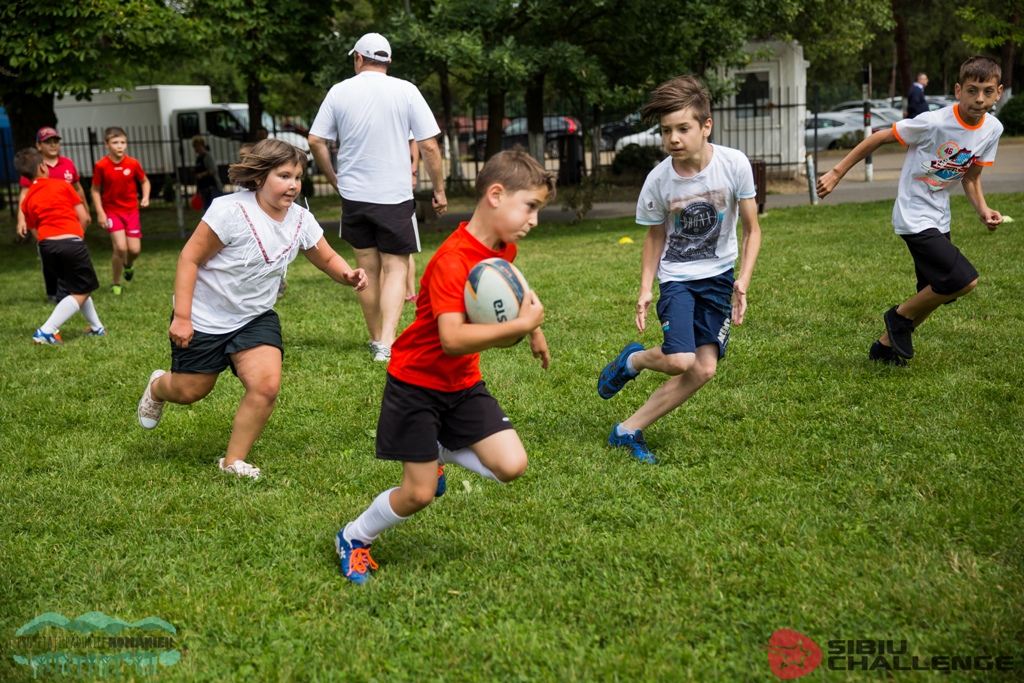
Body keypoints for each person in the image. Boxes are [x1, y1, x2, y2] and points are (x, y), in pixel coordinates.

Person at [334, 150, 553, 585]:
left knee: (512, 466)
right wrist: (522, 325)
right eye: (530, 206)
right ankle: (354, 536)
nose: (534, 219)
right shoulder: (452, 261)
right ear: (496, 195)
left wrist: (532, 331)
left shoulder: (501, 247)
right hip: (415, 384)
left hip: (463, 383)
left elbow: (509, 290)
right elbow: (451, 339)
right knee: (418, 493)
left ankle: (436, 450)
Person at [136, 139, 367, 480]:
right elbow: (190, 258)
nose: (293, 184)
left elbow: (326, 256)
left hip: (254, 317)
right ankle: (158, 386)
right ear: (260, 177)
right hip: (204, 317)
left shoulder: (300, 220)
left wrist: (347, 274)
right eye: (284, 175)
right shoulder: (230, 212)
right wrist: (183, 317)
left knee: (266, 385)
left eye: (298, 177)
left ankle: (233, 461)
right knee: (191, 390)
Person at [596, 75, 762, 464]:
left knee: (703, 369)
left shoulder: (734, 164)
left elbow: (753, 230)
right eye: (666, 130)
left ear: (706, 127)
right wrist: (644, 289)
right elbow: (655, 238)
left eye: (683, 128)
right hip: (677, 279)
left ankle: (626, 430)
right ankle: (633, 361)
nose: (673, 138)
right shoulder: (658, 179)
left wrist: (743, 281)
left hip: (719, 276)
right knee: (679, 359)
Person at [817, 56, 1004, 366]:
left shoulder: (992, 129)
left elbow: (971, 177)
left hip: (939, 215)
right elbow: (879, 137)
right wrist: (837, 172)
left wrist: (983, 210)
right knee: (963, 280)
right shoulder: (934, 122)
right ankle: (898, 316)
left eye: (987, 91)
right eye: (972, 90)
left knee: (934, 291)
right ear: (958, 90)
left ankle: (885, 348)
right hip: (913, 215)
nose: (979, 99)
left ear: (998, 92)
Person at [308, 32, 448, 363]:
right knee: (396, 269)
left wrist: (333, 177)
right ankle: (387, 343)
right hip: (394, 196)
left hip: (355, 197)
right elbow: (428, 145)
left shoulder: (339, 91)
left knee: (366, 269)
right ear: (388, 61)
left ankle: (375, 340)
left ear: (358, 58)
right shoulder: (407, 90)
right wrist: (439, 190)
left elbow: (316, 140)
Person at [15, 148, 106, 344]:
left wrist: (46, 242)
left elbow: (34, 230)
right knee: (82, 290)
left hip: (47, 247)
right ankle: (46, 331)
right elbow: (85, 217)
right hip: (71, 243)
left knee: (77, 286)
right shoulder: (63, 186)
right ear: (42, 167)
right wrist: (77, 237)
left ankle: (97, 328)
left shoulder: (27, 199)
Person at [16, 127, 89, 304]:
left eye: (56, 140)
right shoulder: (34, 166)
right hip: (48, 224)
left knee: (67, 263)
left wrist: (86, 210)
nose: (53, 144)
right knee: (51, 261)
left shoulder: (67, 164)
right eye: (48, 141)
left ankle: (93, 323)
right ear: (38, 146)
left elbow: (78, 190)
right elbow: (25, 195)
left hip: (68, 221)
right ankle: (54, 294)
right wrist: (21, 219)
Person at [91, 126, 150, 295]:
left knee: (134, 250)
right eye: (115, 142)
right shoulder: (101, 166)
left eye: (123, 142)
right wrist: (100, 212)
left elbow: (144, 181)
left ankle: (128, 265)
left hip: (131, 211)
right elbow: (95, 189)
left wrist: (145, 196)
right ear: (106, 145)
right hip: (112, 212)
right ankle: (115, 283)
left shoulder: (133, 163)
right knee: (120, 248)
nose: (119, 146)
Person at [406, 138, 420, 303]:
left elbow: (413, 142)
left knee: (405, 247)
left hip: (399, 189)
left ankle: (410, 292)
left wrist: (413, 172)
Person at [192, 135, 222, 210]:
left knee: (214, 208)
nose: (197, 149)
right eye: (195, 147)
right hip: (203, 187)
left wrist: (202, 175)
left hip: (211, 187)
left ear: (203, 145)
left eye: (199, 146)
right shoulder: (198, 158)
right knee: (206, 208)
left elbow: (214, 170)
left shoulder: (208, 156)